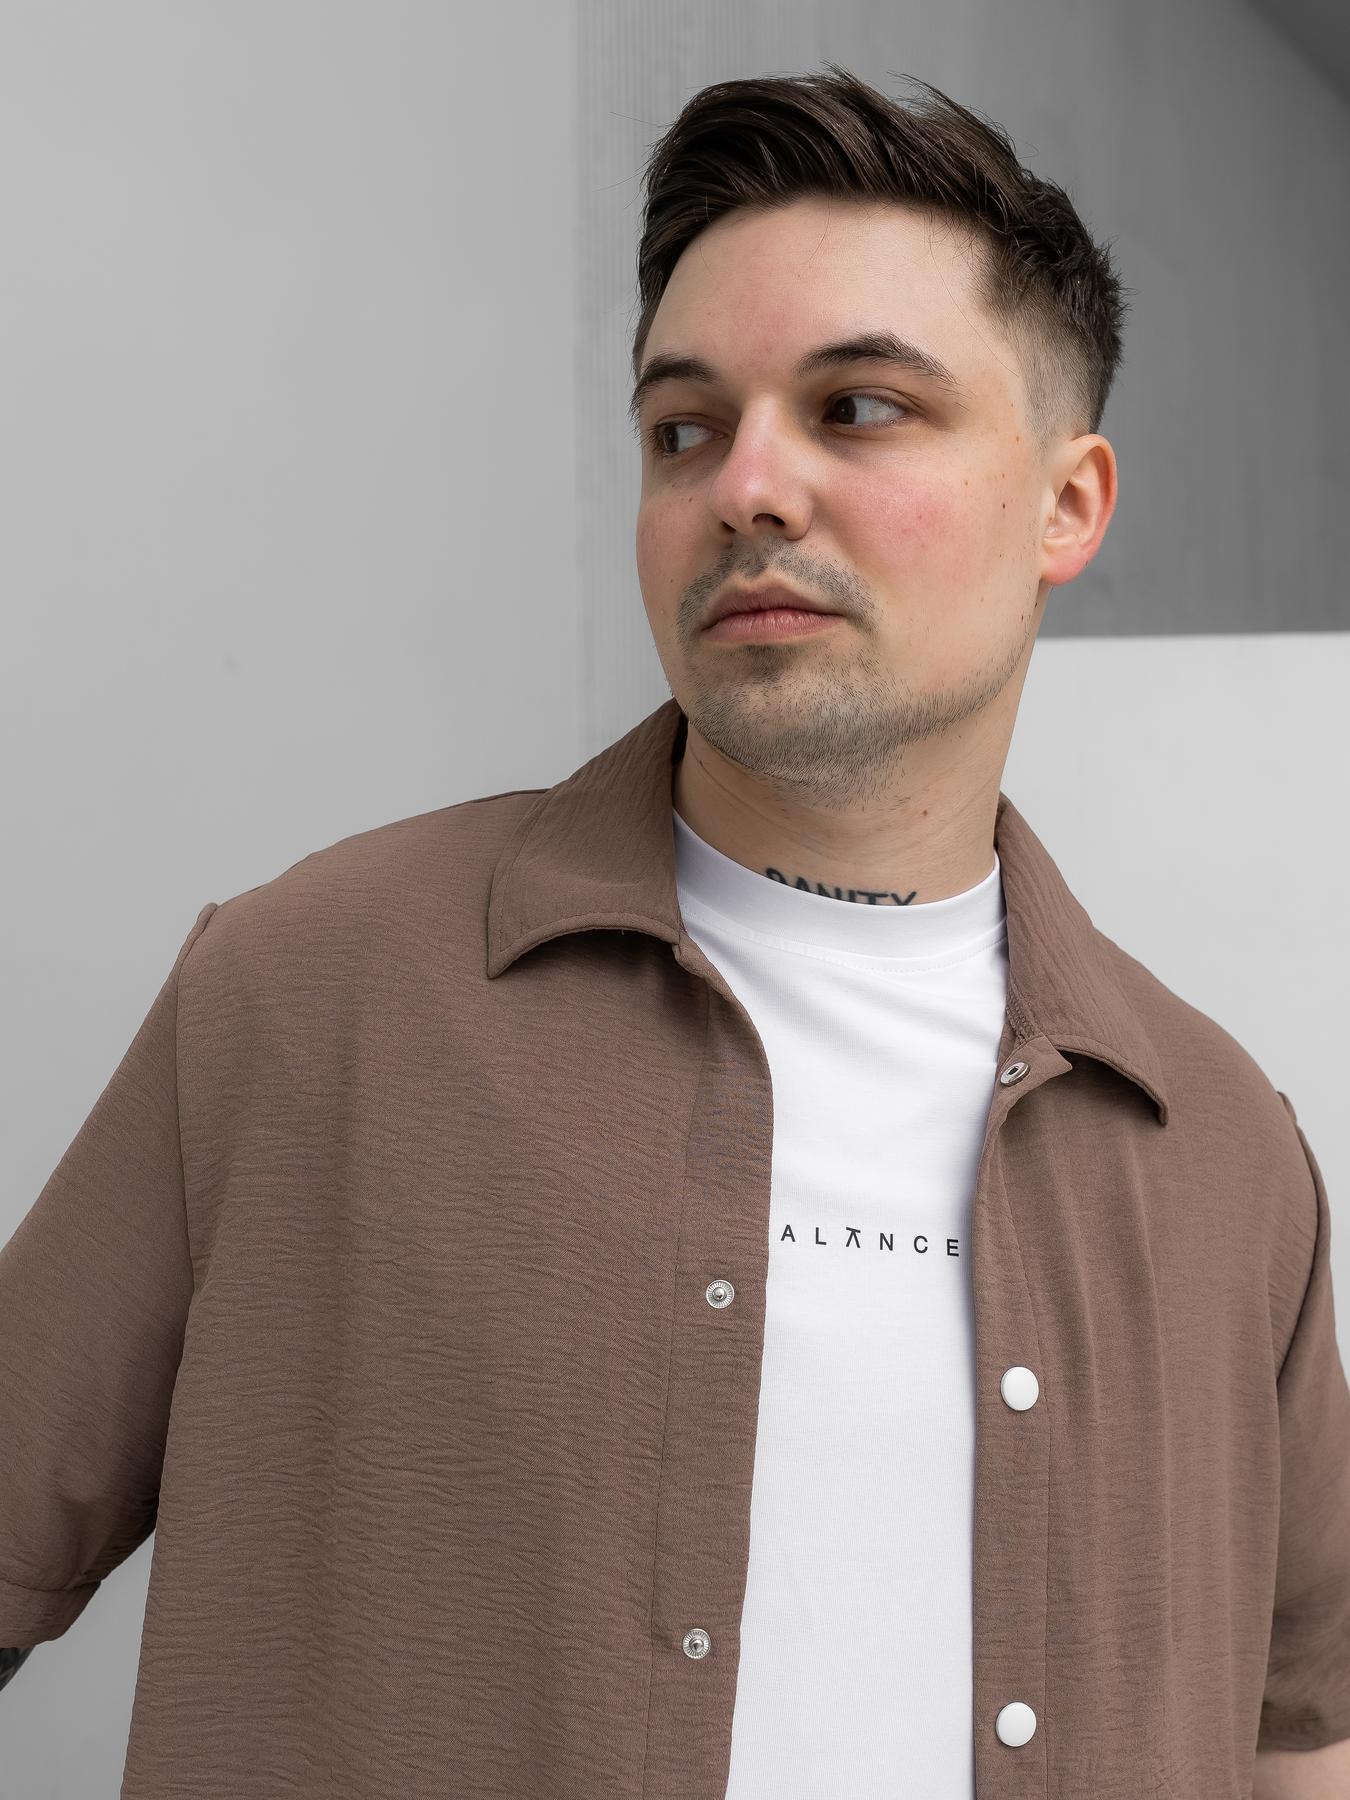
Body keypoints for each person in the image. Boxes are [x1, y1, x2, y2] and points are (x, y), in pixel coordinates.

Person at [2, 62, 1347, 1800]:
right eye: (683, 430)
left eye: (856, 408)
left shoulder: (1225, 1155)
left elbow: (1299, 1740)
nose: (746, 487)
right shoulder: (305, 996)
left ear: (1065, 505)